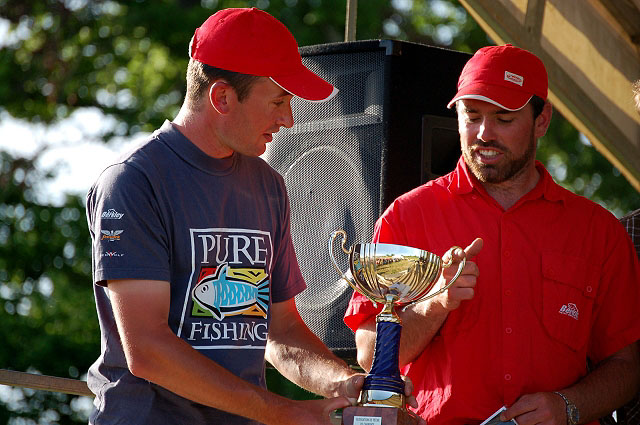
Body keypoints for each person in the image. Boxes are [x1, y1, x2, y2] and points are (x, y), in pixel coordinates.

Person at [85, 8, 420, 425]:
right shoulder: (132, 181)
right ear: (222, 97)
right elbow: (148, 351)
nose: (289, 120)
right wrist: (283, 412)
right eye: (278, 101)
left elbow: (280, 332)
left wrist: (344, 382)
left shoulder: (269, 185)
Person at [344, 44, 640, 425]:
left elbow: (628, 366)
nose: (483, 133)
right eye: (472, 116)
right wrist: (434, 304)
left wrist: (568, 405)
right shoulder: (408, 214)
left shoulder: (598, 230)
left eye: (503, 118)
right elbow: (368, 352)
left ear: (542, 120)